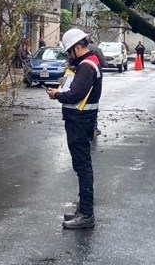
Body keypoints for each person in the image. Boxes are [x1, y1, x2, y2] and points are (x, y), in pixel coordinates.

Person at [47, 28, 103, 229]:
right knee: (82, 166)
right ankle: (83, 209)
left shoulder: (87, 66)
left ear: (76, 48)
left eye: (69, 51)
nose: (69, 55)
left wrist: (57, 95)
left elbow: (75, 95)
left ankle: (86, 214)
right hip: (80, 121)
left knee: (82, 167)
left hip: (80, 122)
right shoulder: (87, 63)